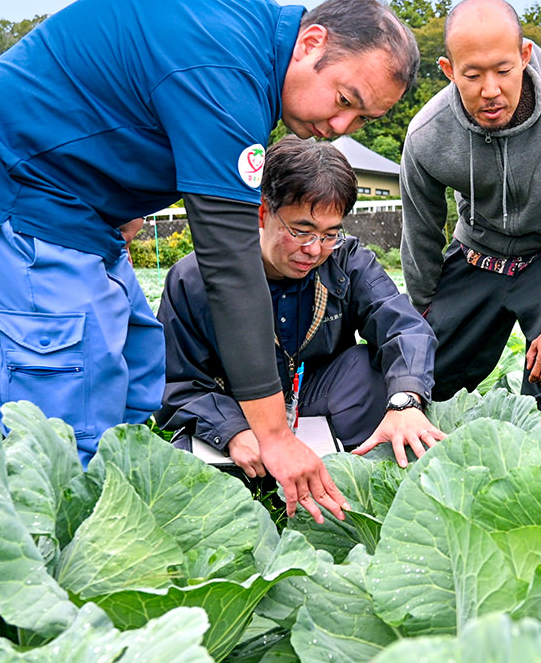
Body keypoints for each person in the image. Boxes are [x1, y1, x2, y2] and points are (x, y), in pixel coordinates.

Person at [0, 0, 418, 522]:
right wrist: (274, 437)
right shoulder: (227, 74)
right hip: (7, 184)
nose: (341, 126)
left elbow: (122, 96)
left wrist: (121, 198)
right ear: (312, 42)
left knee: (135, 368)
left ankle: (120, 522)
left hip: (79, 205)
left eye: (362, 119)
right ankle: (53, 552)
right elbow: (230, 267)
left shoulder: (251, 41)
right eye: (345, 100)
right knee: (63, 398)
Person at [156, 136, 444, 472]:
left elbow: (404, 327)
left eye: (328, 234)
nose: (314, 248)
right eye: (300, 230)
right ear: (263, 212)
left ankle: (351, 470)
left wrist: (405, 401)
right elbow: (175, 383)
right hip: (237, 409)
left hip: (312, 396)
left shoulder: (345, 260)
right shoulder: (194, 279)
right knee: (200, 477)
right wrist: (231, 431)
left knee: (369, 368)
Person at [399, 0, 541, 444]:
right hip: (477, 256)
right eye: (472, 75)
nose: (489, 89)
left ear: (525, 55)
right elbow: (421, 236)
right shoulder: (427, 134)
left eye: (503, 70)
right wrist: (419, 321)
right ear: (449, 70)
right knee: (424, 369)